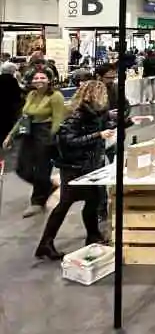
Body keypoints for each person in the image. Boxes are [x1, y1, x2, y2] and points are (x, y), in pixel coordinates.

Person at [35, 81, 115, 260]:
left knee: (93, 200)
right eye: (102, 94)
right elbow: (69, 141)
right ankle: (45, 243)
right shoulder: (76, 115)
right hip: (74, 167)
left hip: (88, 166)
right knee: (65, 204)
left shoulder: (94, 113)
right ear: (94, 94)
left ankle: (92, 235)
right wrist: (98, 135)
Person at [3, 67, 65, 217]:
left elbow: (58, 119)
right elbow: (24, 117)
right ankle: (48, 186)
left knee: (42, 170)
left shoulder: (55, 96)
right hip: (29, 132)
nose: (39, 80)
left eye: (42, 78)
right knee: (22, 168)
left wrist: (52, 139)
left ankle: (37, 202)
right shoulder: (31, 94)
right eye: (36, 78)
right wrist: (10, 135)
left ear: (49, 80)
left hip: (45, 133)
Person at [0, 62, 24, 144]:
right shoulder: (12, 80)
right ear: (11, 71)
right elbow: (17, 93)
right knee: (8, 123)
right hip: (9, 106)